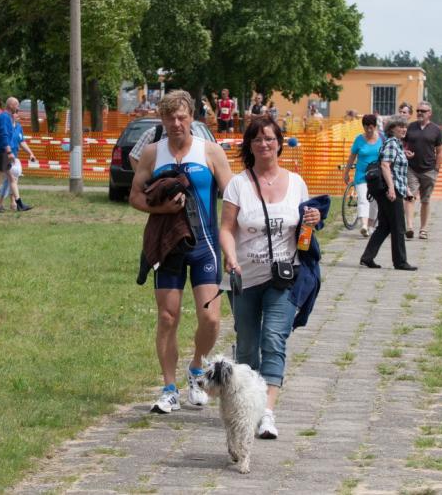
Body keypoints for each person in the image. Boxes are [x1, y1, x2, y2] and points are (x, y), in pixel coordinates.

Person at [129, 90, 232, 414]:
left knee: (210, 318)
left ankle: (196, 367)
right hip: (168, 246)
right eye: (170, 117)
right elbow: (135, 196)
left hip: (205, 246)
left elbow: (232, 197)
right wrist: (162, 209)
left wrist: (235, 242)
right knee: (167, 316)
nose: (176, 123)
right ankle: (169, 388)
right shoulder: (152, 153)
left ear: (191, 118)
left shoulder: (210, 151)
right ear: (162, 120)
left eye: (181, 117)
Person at [219, 116, 321, 439]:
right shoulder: (238, 184)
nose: (264, 144)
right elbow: (226, 228)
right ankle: (247, 405)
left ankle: (266, 412)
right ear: (250, 145)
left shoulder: (297, 183)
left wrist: (313, 219)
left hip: (284, 277)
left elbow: (303, 229)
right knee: (248, 347)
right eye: (258, 139)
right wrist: (230, 257)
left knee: (274, 340)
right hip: (244, 277)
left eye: (270, 138)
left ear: (280, 143)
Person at [359, 114, 417, 271]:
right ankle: (400, 262)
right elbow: (385, 165)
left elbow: (397, 171)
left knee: (384, 226)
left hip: (393, 188)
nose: (404, 129)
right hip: (390, 190)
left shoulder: (397, 144)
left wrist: (406, 189)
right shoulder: (392, 143)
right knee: (398, 226)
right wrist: (391, 188)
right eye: (400, 126)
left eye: (405, 126)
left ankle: (367, 257)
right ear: (392, 129)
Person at [404, 101, 442, 240]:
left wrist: (436, 169)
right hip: (411, 168)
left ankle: (423, 229)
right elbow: (402, 144)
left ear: (429, 113)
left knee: (425, 200)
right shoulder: (410, 127)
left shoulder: (436, 130)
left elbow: (440, 152)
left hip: (429, 170)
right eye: (418, 110)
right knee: (409, 197)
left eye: (423, 111)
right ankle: (409, 227)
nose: (420, 113)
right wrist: (404, 152)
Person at [343, 114, 382, 236]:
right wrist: (346, 172)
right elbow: (352, 157)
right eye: (366, 127)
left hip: (376, 175)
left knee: (374, 202)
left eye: (371, 127)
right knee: (363, 199)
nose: (369, 130)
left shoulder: (382, 138)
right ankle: (364, 225)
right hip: (361, 175)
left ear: (375, 126)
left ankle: (371, 225)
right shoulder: (359, 140)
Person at [0, 97, 26, 213]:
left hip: (2, 151)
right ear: (11, 105)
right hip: (3, 152)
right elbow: (3, 135)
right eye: (17, 105)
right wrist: (9, 151)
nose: (18, 107)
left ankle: (19, 203)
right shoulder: (5, 117)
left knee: (10, 178)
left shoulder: (6, 117)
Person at [0, 110, 37, 210]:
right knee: (12, 179)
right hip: (5, 155)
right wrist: (8, 153)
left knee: (11, 180)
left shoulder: (18, 127)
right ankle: (15, 203)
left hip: (14, 156)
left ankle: (9, 203)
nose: (17, 115)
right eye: (15, 113)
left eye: (17, 113)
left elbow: (22, 142)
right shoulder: (5, 127)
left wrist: (30, 153)